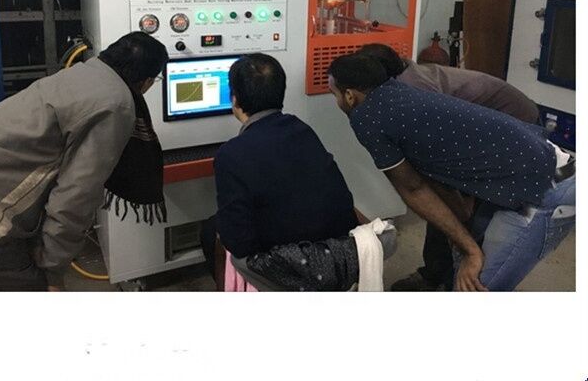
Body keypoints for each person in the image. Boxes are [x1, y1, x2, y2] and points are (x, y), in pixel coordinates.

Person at [327, 53, 575, 292]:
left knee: (475, 287)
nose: (336, 100)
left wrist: (471, 251)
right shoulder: (398, 91)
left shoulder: (366, 117)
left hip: (542, 189)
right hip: (538, 164)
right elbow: (436, 177)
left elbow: (414, 188)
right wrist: (463, 241)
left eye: (334, 94)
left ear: (349, 96)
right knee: (463, 257)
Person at [0, 32, 169, 292]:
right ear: (147, 82)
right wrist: (52, 270)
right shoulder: (117, 104)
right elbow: (75, 197)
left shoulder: (83, 73)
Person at [201, 53, 358, 277]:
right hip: (338, 249)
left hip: (289, 261)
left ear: (234, 100)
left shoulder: (230, 154)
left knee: (211, 230)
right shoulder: (302, 129)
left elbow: (239, 243)